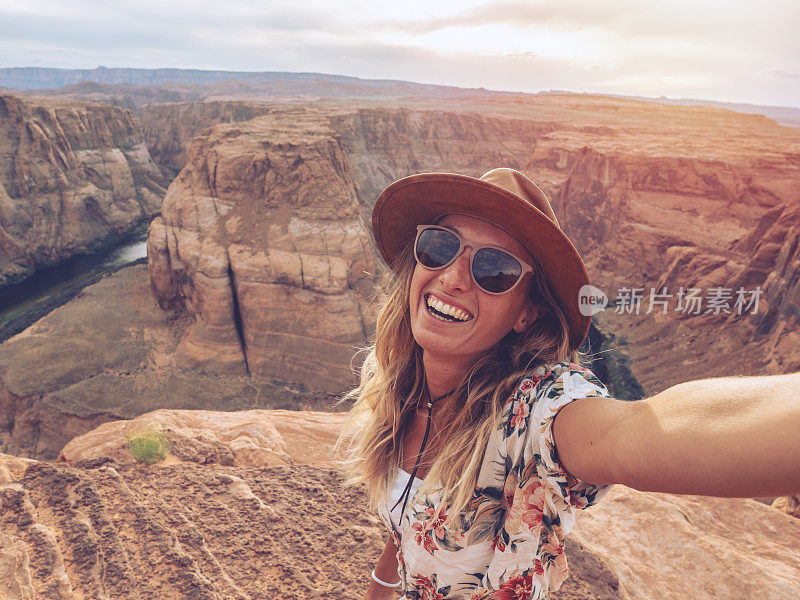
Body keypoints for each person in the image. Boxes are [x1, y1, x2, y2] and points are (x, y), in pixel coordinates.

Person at [334, 168, 800, 600]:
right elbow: (409, 516)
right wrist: (382, 583)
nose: (453, 277)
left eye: (495, 270)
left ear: (525, 313)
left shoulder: (534, 414)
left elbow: (632, 432)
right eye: (440, 246)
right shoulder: (402, 385)